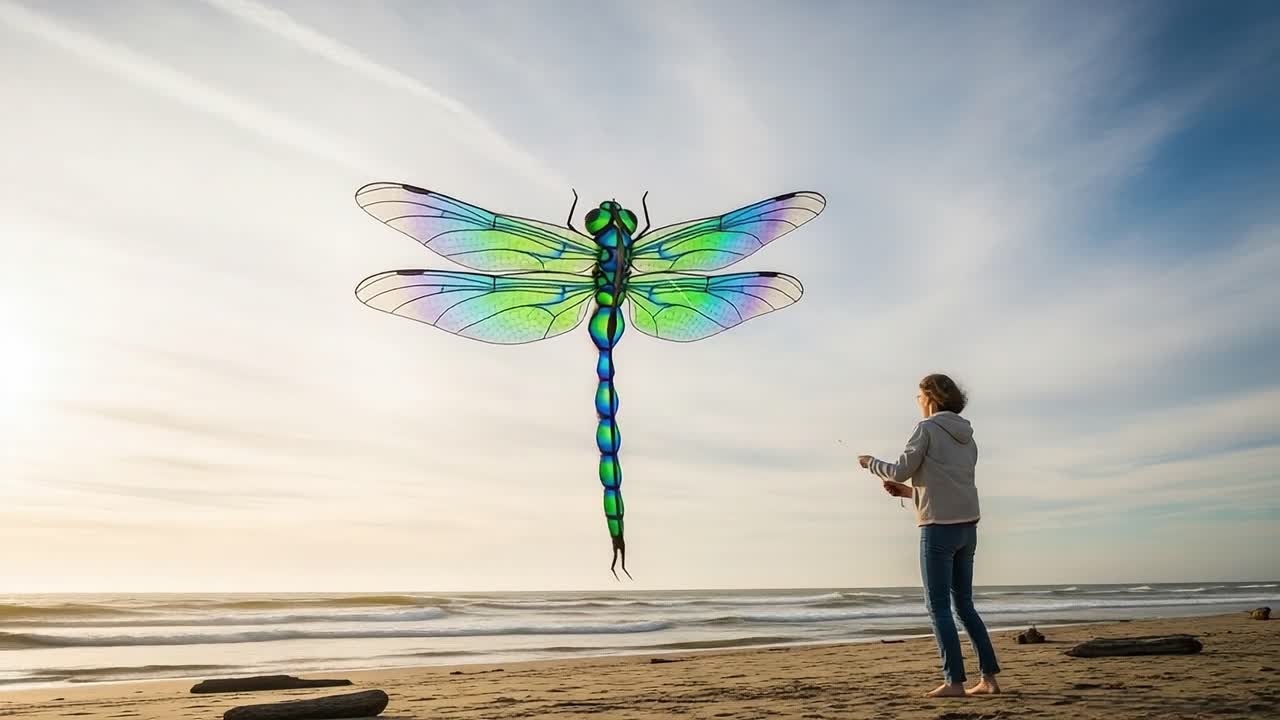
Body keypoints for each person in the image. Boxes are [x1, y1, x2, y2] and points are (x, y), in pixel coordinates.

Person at [857, 373, 1001, 698]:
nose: (918, 402)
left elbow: (898, 469)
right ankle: (989, 680)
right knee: (964, 605)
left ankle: (954, 682)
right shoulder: (968, 438)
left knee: (938, 607)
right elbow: (949, 484)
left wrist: (869, 462)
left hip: (938, 529)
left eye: (919, 396)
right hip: (967, 527)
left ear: (931, 397)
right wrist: (909, 494)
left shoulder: (927, 429)